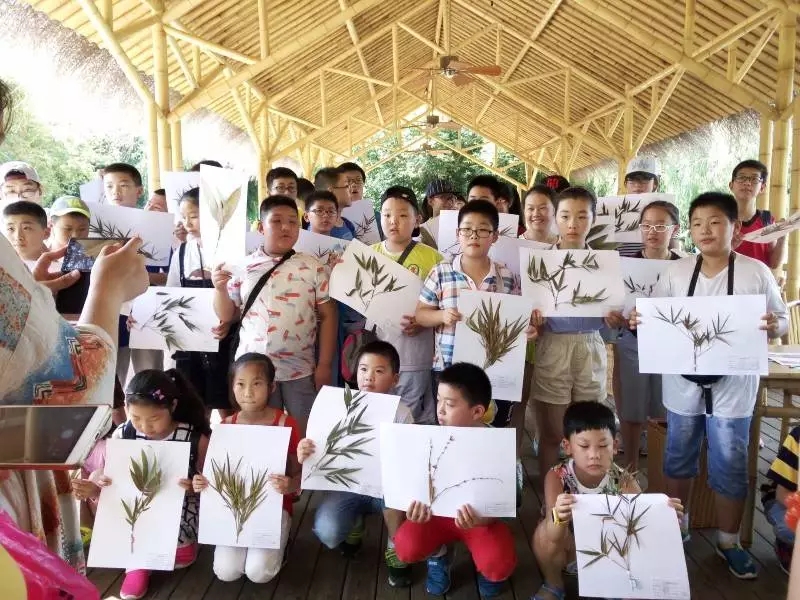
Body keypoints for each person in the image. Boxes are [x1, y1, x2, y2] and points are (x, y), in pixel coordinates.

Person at [630, 191, 788, 579]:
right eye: (698, 223)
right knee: (678, 457)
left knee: (730, 462)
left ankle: (729, 541)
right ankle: (678, 527)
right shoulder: (676, 272)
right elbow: (656, 320)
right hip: (681, 385)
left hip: (734, 388)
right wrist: (640, 321)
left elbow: (781, 319)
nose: (705, 230)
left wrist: (774, 325)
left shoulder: (755, 272)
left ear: (736, 229)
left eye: (715, 222)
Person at [73, 368, 211, 599]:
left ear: (173, 406)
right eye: (136, 418)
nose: (145, 427)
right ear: (126, 409)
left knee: (183, 554)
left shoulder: (194, 438)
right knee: (99, 478)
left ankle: (141, 558)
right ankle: (137, 566)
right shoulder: (123, 434)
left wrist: (195, 487)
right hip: (136, 511)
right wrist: (97, 488)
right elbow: (115, 480)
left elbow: (211, 483)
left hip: (179, 512)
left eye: (154, 419)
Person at [531, 401, 683, 600]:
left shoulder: (624, 481)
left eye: (603, 446)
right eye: (584, 446)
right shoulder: (557, 477)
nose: (594, 454)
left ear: (615, 446)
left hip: (609, 553)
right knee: (543, 534)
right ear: (567, 446)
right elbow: (552, 534)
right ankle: (554, 584)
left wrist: (666, 518)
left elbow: (641, 525)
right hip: (568, 550)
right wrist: (558, 516)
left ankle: (611, 583)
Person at [212, 195, 337, 436]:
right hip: (253, 370)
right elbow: (228, 314)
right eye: (277, 221)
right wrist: (219, 289)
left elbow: (328, 315)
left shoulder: (312, 267)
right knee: (262, 435)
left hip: (300, 368)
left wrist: (324, 365)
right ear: (261, 227)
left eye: (292, 222)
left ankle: (297, 463)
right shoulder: (241, 266)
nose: (286, 227)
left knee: (305, 433)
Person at [393, 362, 517, 597]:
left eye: (449, 404)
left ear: (477, 411)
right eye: (438, 400)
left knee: (498, 564)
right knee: (405, 546)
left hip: (479, 521)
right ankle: (439, 556)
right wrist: (413, 508)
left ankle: (487, 571)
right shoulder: (426, 438)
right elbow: (412, 486)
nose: (440, 410)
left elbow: (504, 503)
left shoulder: (497, 445)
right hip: (435, 518)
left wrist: (485, 518)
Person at [298, 341, 414, 587]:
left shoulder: (402, 413)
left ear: (395, 379)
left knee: (395, 498)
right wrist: (306, 450)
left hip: (386, 492)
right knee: (327, 532)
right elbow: (320, 447)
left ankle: (395, 545)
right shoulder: (336, 406)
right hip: (348, 488)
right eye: (363, 369)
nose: (369, 377)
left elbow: (409, 460)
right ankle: (355, 522)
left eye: (379, 371)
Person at [529, 187, 625, 481]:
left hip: (591, 344)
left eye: (582, 216)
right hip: (553, 345)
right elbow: (530, 315)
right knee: (552, 432)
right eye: (565, 216)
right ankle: (550, 494)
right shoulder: (539, 262)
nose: (573, 224)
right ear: (555, 218)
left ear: (593, 219)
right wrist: (534, 320)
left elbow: (614, 316)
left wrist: (614, 318)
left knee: (589, 429)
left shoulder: (605, 263)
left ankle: (586, 489)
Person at [192, 353, 300, 583]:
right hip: (233, 508)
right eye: (240, 384)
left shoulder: (286, 424)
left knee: (259, 573)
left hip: (273, 507)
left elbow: (299, 473)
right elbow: (214, 474)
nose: (248, 392)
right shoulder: (224, 426)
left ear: (272, 387)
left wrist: (291, 485)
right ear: (232, 387)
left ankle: (283, 540)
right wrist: (202, 482)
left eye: (257, 383)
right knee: (226, 571)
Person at [614, 201, 681, 470]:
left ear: (675, 229)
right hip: (633, 342)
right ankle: (629, 466)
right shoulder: (626, 265)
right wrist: (619, 317)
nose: (652, 231)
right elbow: (614, 308)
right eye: (647, 225)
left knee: (662, 410)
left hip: (672, 348)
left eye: (661, 226)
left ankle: (658, 471)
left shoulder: (685, 265)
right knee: (632, 409)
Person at [371, 186, 442, 423]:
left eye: (402, 215)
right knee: (380, 414)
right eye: (387, 215)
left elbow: (445, 303)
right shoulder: (367, 256)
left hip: (415, 355)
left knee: (412, 417)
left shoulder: (434, 258)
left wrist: (423, 320)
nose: (393, 221)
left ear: (417, 219)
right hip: (378, 355)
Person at [166, 187, 233, 417]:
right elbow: (171, 293)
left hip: (225, 337)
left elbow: (241, 294)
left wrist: (229, 320)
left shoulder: (231, 250)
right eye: (184, 217)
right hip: (191, 341)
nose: (187, 223)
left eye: (194, 216)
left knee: (226, 399)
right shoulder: (182, 251)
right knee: (194, 400)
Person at [729, 159, 784, 269]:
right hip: (727, 279)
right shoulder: (720, 219)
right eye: (741, 177)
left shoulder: (767, 220)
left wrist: (782, 238)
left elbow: (773, 264)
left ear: (762, 187)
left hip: (759, 279)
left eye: (754, 179)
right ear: (731, 185)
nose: (747, 183)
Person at [762, 425, 800, 574]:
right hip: (785, 501)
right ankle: (787, 546)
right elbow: (782, 494)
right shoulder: (798, 437)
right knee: (789, 528)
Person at [2, 200, 49, 270]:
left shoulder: (59, 270)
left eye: (26, 228)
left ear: (46, 233)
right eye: (10, 228)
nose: (18, 237)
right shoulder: (3, 268)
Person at [418, 178, 458, 249]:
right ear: (430, 201)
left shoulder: (462, 224)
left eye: (452, 197)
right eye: (443, 197)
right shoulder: (422, 229)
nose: (450, 201)